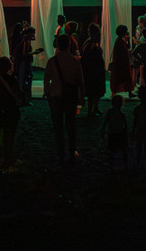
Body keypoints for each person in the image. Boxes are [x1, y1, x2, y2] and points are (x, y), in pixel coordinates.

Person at [44, 33, 84, 164]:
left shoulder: (52, 61)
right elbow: (80, 82)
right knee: (71, 124)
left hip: (55, 96)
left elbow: (46, 80)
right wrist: (81, 97)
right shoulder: (74, 61)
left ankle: (60, 151)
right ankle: (72, 151)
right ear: (69, 45)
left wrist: (47, 93)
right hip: (70, 96)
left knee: (58, 125)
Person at [0, 56, 23, 169]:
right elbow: (18, 95)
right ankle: (7, 159)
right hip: (11, 110)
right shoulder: (13, 80)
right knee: (9, 137)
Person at [80, 24, 107, 117]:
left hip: (93, 70)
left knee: (95, 92)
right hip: (93, 71)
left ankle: (94, 109)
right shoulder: (91, 43)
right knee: (93, 92)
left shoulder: (89, 42)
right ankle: (90, 111)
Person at [101, 94, 129, 168]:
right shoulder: (122, 115)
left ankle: (112, 164)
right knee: (122, 148)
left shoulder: (110, 112)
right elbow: (125, 125)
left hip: (112, 133)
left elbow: (105, 122)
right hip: (119, 133)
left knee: (112, 149)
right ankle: (125, 163)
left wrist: (103, 130)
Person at [108, 25, 134, 96]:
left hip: (121, 64)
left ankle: (128, 92)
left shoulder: (119, 40)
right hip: (121, 64)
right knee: (121, 79)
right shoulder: (119, 41)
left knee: (123, 78)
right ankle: (115, 93)